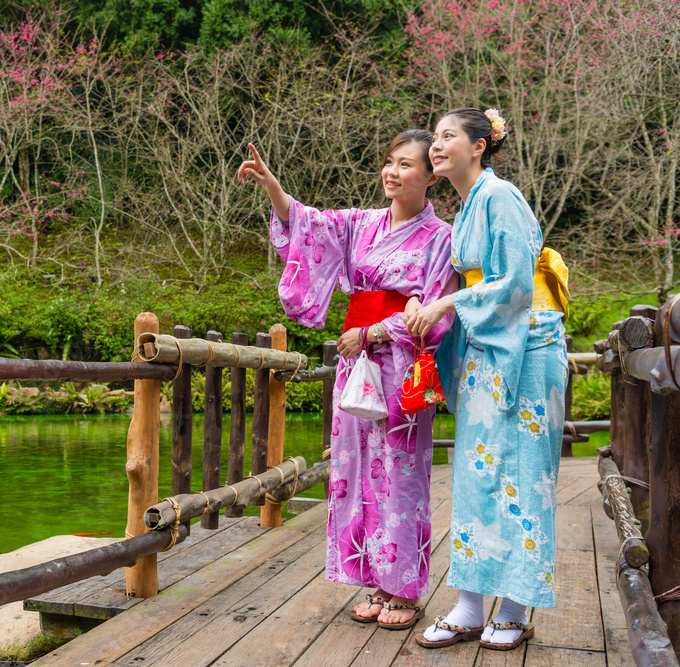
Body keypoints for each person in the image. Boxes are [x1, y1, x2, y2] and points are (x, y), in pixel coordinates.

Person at [238, 131, 458, 630]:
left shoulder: (442, 238)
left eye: (405, 165)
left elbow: (440, 315)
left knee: (400, 476)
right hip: (355, 366)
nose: (391, 172)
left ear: (430, 176)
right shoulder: (361, 223)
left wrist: (376, 330)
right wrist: (272, 185)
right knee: (356, 470)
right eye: (387, 162)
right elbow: (307, 224)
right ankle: (372, 577)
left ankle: (402, 587)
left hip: (398, 365)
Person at [406, 108, 569, 651]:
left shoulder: (500, 196)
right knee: (476, 475)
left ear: (479, 145)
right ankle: (471, 604)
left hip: (528, 348)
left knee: (523, 475)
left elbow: (517, 280)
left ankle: (517, 605)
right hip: (487, 347)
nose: (436, 144)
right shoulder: (469, 205)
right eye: (434, 137)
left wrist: (449, 300)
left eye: (448, 135)